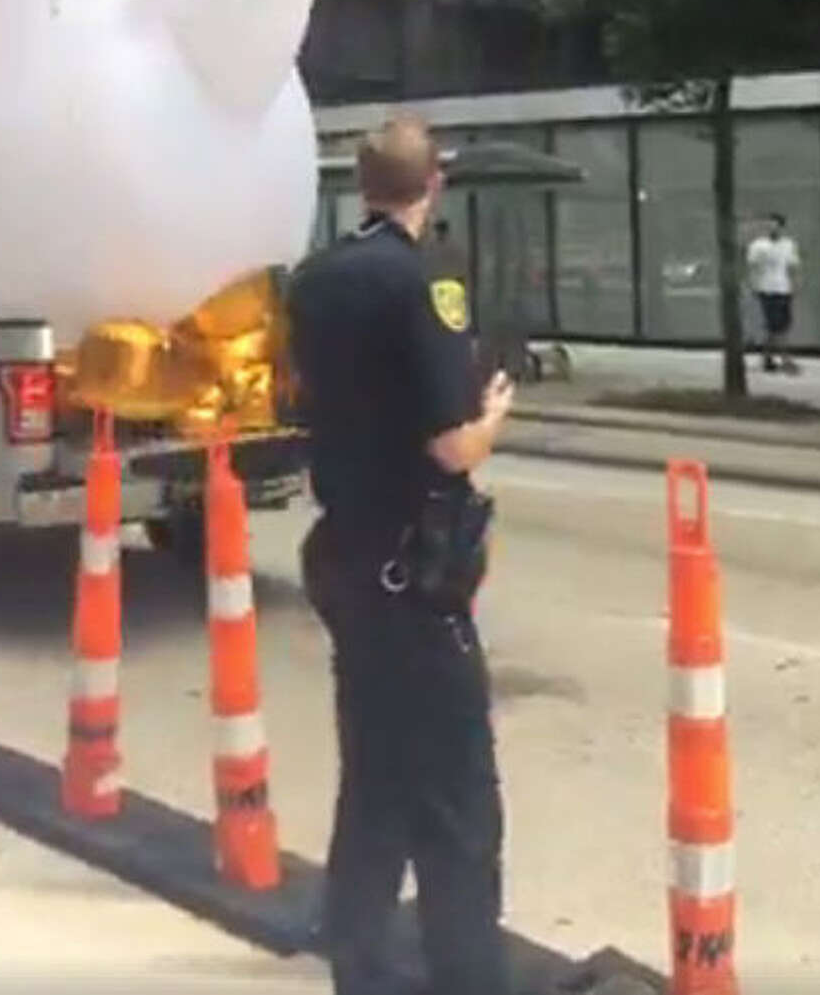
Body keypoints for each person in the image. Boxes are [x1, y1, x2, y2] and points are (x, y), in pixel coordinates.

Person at [288, 115, 515, 995]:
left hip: (344, 552)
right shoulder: (422, 279)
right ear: (436, 183)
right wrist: (494, 411)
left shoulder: (315, 279)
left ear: (360, 182)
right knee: (458, 799)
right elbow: (452, 443)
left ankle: (363, 964)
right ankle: (468, 975)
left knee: (374, 779)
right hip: (412, 573)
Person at [746, 212, 801, 374]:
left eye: (775, 225)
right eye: (768, 225)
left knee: (780, 325)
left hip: (784, 288)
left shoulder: (788, 245)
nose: (771, 228)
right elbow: (752, 268)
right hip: (766, 289)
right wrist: (753, 285)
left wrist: (795, 285)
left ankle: (767, 358)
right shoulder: (758, 246)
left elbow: (793, 266)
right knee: (776, 325)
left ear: (781, 227)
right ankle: (786, 359)